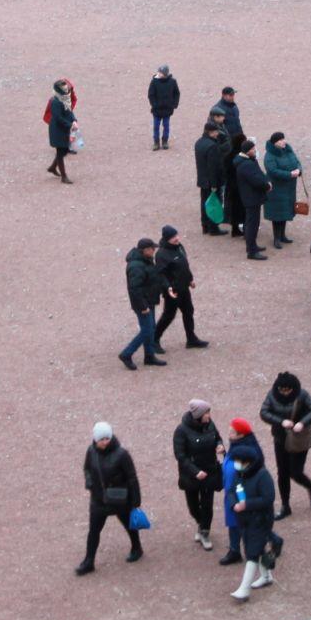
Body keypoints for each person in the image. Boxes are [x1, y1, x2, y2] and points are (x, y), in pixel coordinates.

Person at [77, 422, 142, 574]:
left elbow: (132, 477)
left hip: (119, 499)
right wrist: (89, 482)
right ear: (95, 439)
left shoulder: (122, 454)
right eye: (102, 439)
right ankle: (89, 561)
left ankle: (136, 547)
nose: (105, 442)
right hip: (99, 499)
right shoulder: (91, 452)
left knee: (129, 525)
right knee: (93, 531)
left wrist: (135, 501)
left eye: (107, 438)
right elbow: (87, 468)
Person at [260, 371, 311, 517]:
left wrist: (302, 423)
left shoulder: (302, 395)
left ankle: (310, 487)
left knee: (295, 472)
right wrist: (281, 421)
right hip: (280, 438)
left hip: (298, 440)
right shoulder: (272, 395)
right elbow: (264, 412)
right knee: (282, 472)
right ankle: (285, 506)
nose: (285, 393)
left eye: (288, 390)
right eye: (282, 390)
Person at [227, 438, 280, 601]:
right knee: (255, 547)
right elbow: (231, 492)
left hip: (260, 520)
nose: (235, 463)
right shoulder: (239, 474)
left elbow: (268, 498)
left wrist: (246, 505)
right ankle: (266, 576)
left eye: (238, 461)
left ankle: (244, 589)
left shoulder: (263, 475)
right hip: (245, 519)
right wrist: (235, 504)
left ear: (247, 462)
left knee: (251, 553)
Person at [173, 399, 223, 550]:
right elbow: (180, 456)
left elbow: (217, 437)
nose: (209, 415)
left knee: (207, 505)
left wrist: (219, 445)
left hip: (210, 471)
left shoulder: (210, 425)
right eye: (207, 413)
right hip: (191, 476)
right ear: (199, 415)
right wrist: (195, 472)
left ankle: (205, 532)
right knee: (193, 506)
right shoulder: (181, 431)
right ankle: (201, 524)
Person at [218, 418, 264, 567]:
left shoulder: (247, 451)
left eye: (232, 431)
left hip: (242, 494)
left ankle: (269, 543)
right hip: (233, 492)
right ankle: (234, 550)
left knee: (248, 524)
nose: (229, 434)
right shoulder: (238, 444)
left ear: (240, 435)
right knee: (234, 523)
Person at [153, 225, 207, 350]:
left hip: (184, 287)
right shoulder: (161, 254)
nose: (177, 238)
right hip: (173, 291)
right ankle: (154, 339)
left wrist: (190, 279)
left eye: (176, 235)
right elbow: (160, 274)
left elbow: (184, 265)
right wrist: (168, 288)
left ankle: (191, 339)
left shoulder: (179, 247)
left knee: (188, 312)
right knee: (168, 316)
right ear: (167, 239)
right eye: (173, 237)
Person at [118, 237, 169, 369]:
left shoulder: (145, 261)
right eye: (152, 248)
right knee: (147, 330)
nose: (154, 251)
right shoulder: (137, 266)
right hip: (143, 304)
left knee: (150, 329)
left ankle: (149, 355)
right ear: (146, 250)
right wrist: (143, 306)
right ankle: (127, 353)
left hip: (149, 300)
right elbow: (135, 288)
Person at [232, 137, 272, 260]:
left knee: (253, 223)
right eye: (253, 149)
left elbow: (258, 175)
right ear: (248, 151)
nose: (255, 150)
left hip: (251, 196)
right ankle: (251, 250)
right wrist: (267, 185)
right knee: (252, 225)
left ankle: (253, 246)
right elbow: (256, 180)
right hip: (252, 198)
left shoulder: (246, 161)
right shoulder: (246, 164)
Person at [262, 132, 303, 248]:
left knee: (285, 212)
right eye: (280, 140)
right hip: (276, 190)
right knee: (277, 215)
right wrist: (290, 174)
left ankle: (282, 235)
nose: (283, 141)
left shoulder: (288, 151)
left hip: (288, 188)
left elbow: (297, 162)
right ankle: (276, 238)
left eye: (283, 139)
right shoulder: (269, 156)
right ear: (275, 143)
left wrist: (299, 170)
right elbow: (273, 171)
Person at [194, 118, 228, 235]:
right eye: (215, 132)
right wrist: (214, 184)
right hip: (212, 182)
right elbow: (213, 168)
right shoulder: (212, 146)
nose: (217, 133)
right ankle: (213, 228)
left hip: (202, 180)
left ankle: (205, 226)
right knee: (214, 204)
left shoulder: (199, 142)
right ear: (210, 132)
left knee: (204, 203)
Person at [45, 79, 77, 183]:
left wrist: (74, 120)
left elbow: (69, 111)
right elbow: (58, 117)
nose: (67, 91)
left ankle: (53, 167)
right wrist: (70, 125)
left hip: (64, 128)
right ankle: (64, 176)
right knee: (60, 152)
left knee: (64, 150)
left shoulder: (65, 99)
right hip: (57, 130)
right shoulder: (55, 102)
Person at [148, 65, 181, 150]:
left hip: (167, 109)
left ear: (165, 73)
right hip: (157, 110)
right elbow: (151, 95)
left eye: (160, 72)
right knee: (156, 126)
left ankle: (165, 141)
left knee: (166, 126)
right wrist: (154, 104)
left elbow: (176, 93)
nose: (158, 73)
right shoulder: (154, 82)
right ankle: (156, 142)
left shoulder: (172, 82)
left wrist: (174, 104)